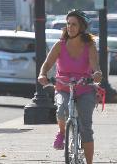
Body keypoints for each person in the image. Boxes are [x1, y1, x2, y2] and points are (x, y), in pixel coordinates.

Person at [38, 10, 102, 164]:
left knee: (86, 128)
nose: (70, 27)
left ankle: (89, 162)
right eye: (68, 24)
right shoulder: (60, 45)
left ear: (81, 27)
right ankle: (62, 132)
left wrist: (97, 74)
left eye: (74, 24)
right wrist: (42, 74)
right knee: (61, 109)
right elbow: (47, 64)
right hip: (63, 86)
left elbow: (95, 66)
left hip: (85, 88)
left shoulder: (89, 45)